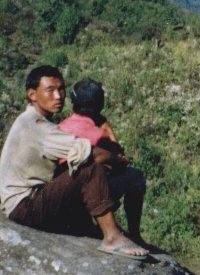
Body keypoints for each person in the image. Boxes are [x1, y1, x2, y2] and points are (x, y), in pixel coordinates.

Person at [0, 65, 148, 260]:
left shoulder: (34, 120)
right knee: (90, 165)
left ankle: (98, 228)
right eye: (50, 90)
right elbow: (91, 153)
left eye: (61, 89)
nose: (58, 96)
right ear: (32, 94)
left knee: (87, 167)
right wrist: (117, 160)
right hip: (26, 206)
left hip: (32, 199)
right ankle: (112, 237)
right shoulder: (36, 126)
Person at [58, 78, 146, 245]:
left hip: (64, 195)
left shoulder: (62, 126)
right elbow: (120, 158)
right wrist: (106, 126)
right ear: (99, 105)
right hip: (86, 196)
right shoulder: (98, 134)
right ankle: (134, 233)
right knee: (135, 177)